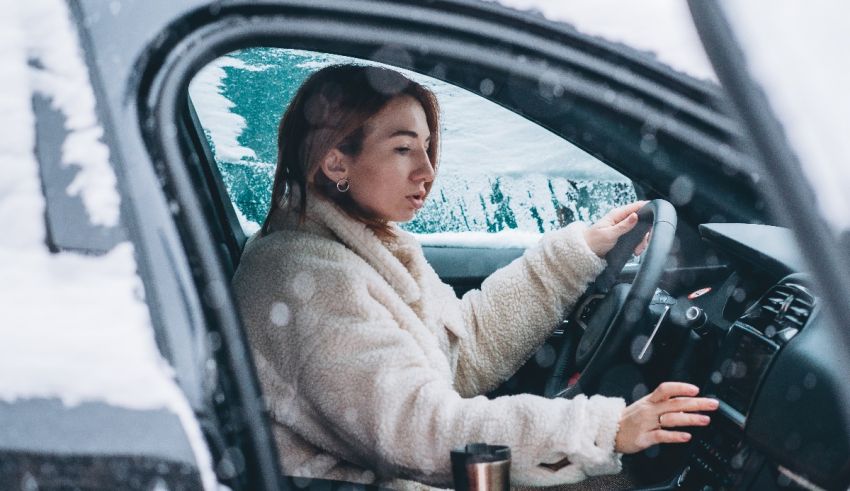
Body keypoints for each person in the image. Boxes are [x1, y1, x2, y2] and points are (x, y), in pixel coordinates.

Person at [232, 64, 718, 489]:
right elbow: (422, 430)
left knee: (617, 477)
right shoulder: (307, 280)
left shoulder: (361, 245)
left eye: (427, 147)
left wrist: (577, 253)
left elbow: (458, 353)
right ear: (337, 160)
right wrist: (604, 429)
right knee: (625, 477)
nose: (427, 169)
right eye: (404, 149)